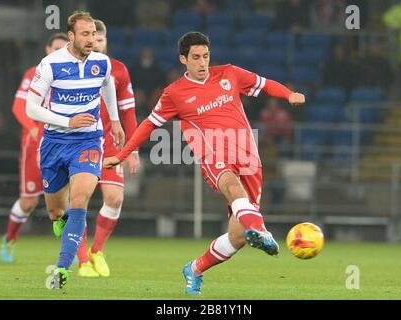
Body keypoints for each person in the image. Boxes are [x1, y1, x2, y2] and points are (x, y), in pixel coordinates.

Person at [103, 32, 305, 294]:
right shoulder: (174, 93)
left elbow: (264, 84)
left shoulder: (229, 74)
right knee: (234, 189)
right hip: (214, 158)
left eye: (206, 56)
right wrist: (122, 155)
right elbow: (148, 126)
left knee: (238, 237)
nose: (202, 63)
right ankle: (262, 230)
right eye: (196, 57)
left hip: (249, 159)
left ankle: (195, 269)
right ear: (183, 59)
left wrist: (288, 95)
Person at [25, 11, 124, 289]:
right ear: (71, 36)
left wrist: (114, 121)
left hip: (88, 140)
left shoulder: (102, 63)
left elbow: (108, 88)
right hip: (55, 143)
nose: (91, 39)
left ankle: (63, 268)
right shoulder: (50, 65)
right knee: (57, 211)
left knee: (80, 200)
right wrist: (67, 121)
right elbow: (30, 107)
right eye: (85, 34)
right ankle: (61, 220)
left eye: (93, 34)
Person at [74, 19, 140, 278]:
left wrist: (133, 148)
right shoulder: (72, 67)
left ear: (106, 41)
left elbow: (129, 112)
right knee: (79, 200)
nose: (95, 43)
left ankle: (97, 250)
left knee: (114, 198)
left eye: (100, 39)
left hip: (111, 143)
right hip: (79, 140)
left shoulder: (119, 70)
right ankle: (81, 261)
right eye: (91, 38)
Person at [0, 33, 69, 263]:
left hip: (63, 141)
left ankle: (74, 251)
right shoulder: (34, 73)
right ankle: (9, 240)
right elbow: (19, 106)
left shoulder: (72, 75)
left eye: (63, 48)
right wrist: (32, 129)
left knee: (71, 199)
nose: (59, 51)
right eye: (55, 47)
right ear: (47, 49)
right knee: (29, 201)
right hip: (35, 144)